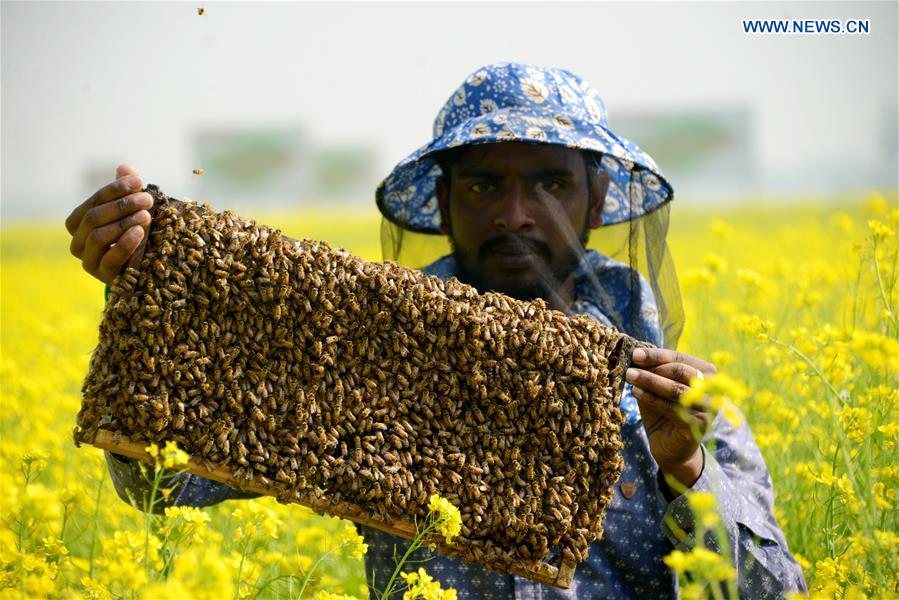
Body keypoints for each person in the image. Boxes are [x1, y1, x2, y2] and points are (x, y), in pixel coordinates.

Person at [65, 62, 807, 598]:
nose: (515, 214)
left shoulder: (672, 395)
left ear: (596, 197)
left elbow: (775, 591)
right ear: (445, 200)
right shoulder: (366, 359)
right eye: (484, 184)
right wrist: (144, 302)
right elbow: (165, 482)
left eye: (550, 183)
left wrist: (688, 471)